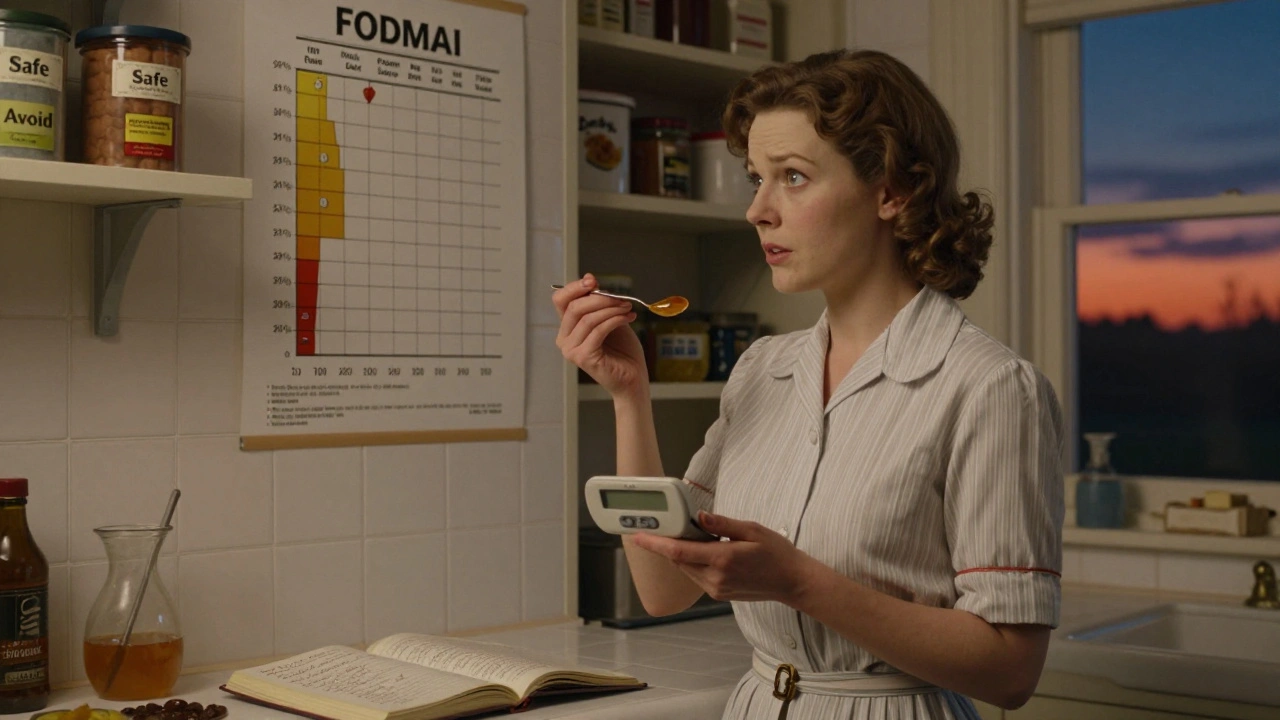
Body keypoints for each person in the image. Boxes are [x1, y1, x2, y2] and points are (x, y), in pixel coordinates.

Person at [553, 49, 1064, 720]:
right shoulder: (763, 370)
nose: (758, 211)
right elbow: (662, 588)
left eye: (793, 176)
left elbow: (1009, 671)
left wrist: (798, 582)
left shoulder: (992, 388)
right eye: (755, 179)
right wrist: (628, 395)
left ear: (892, 191)